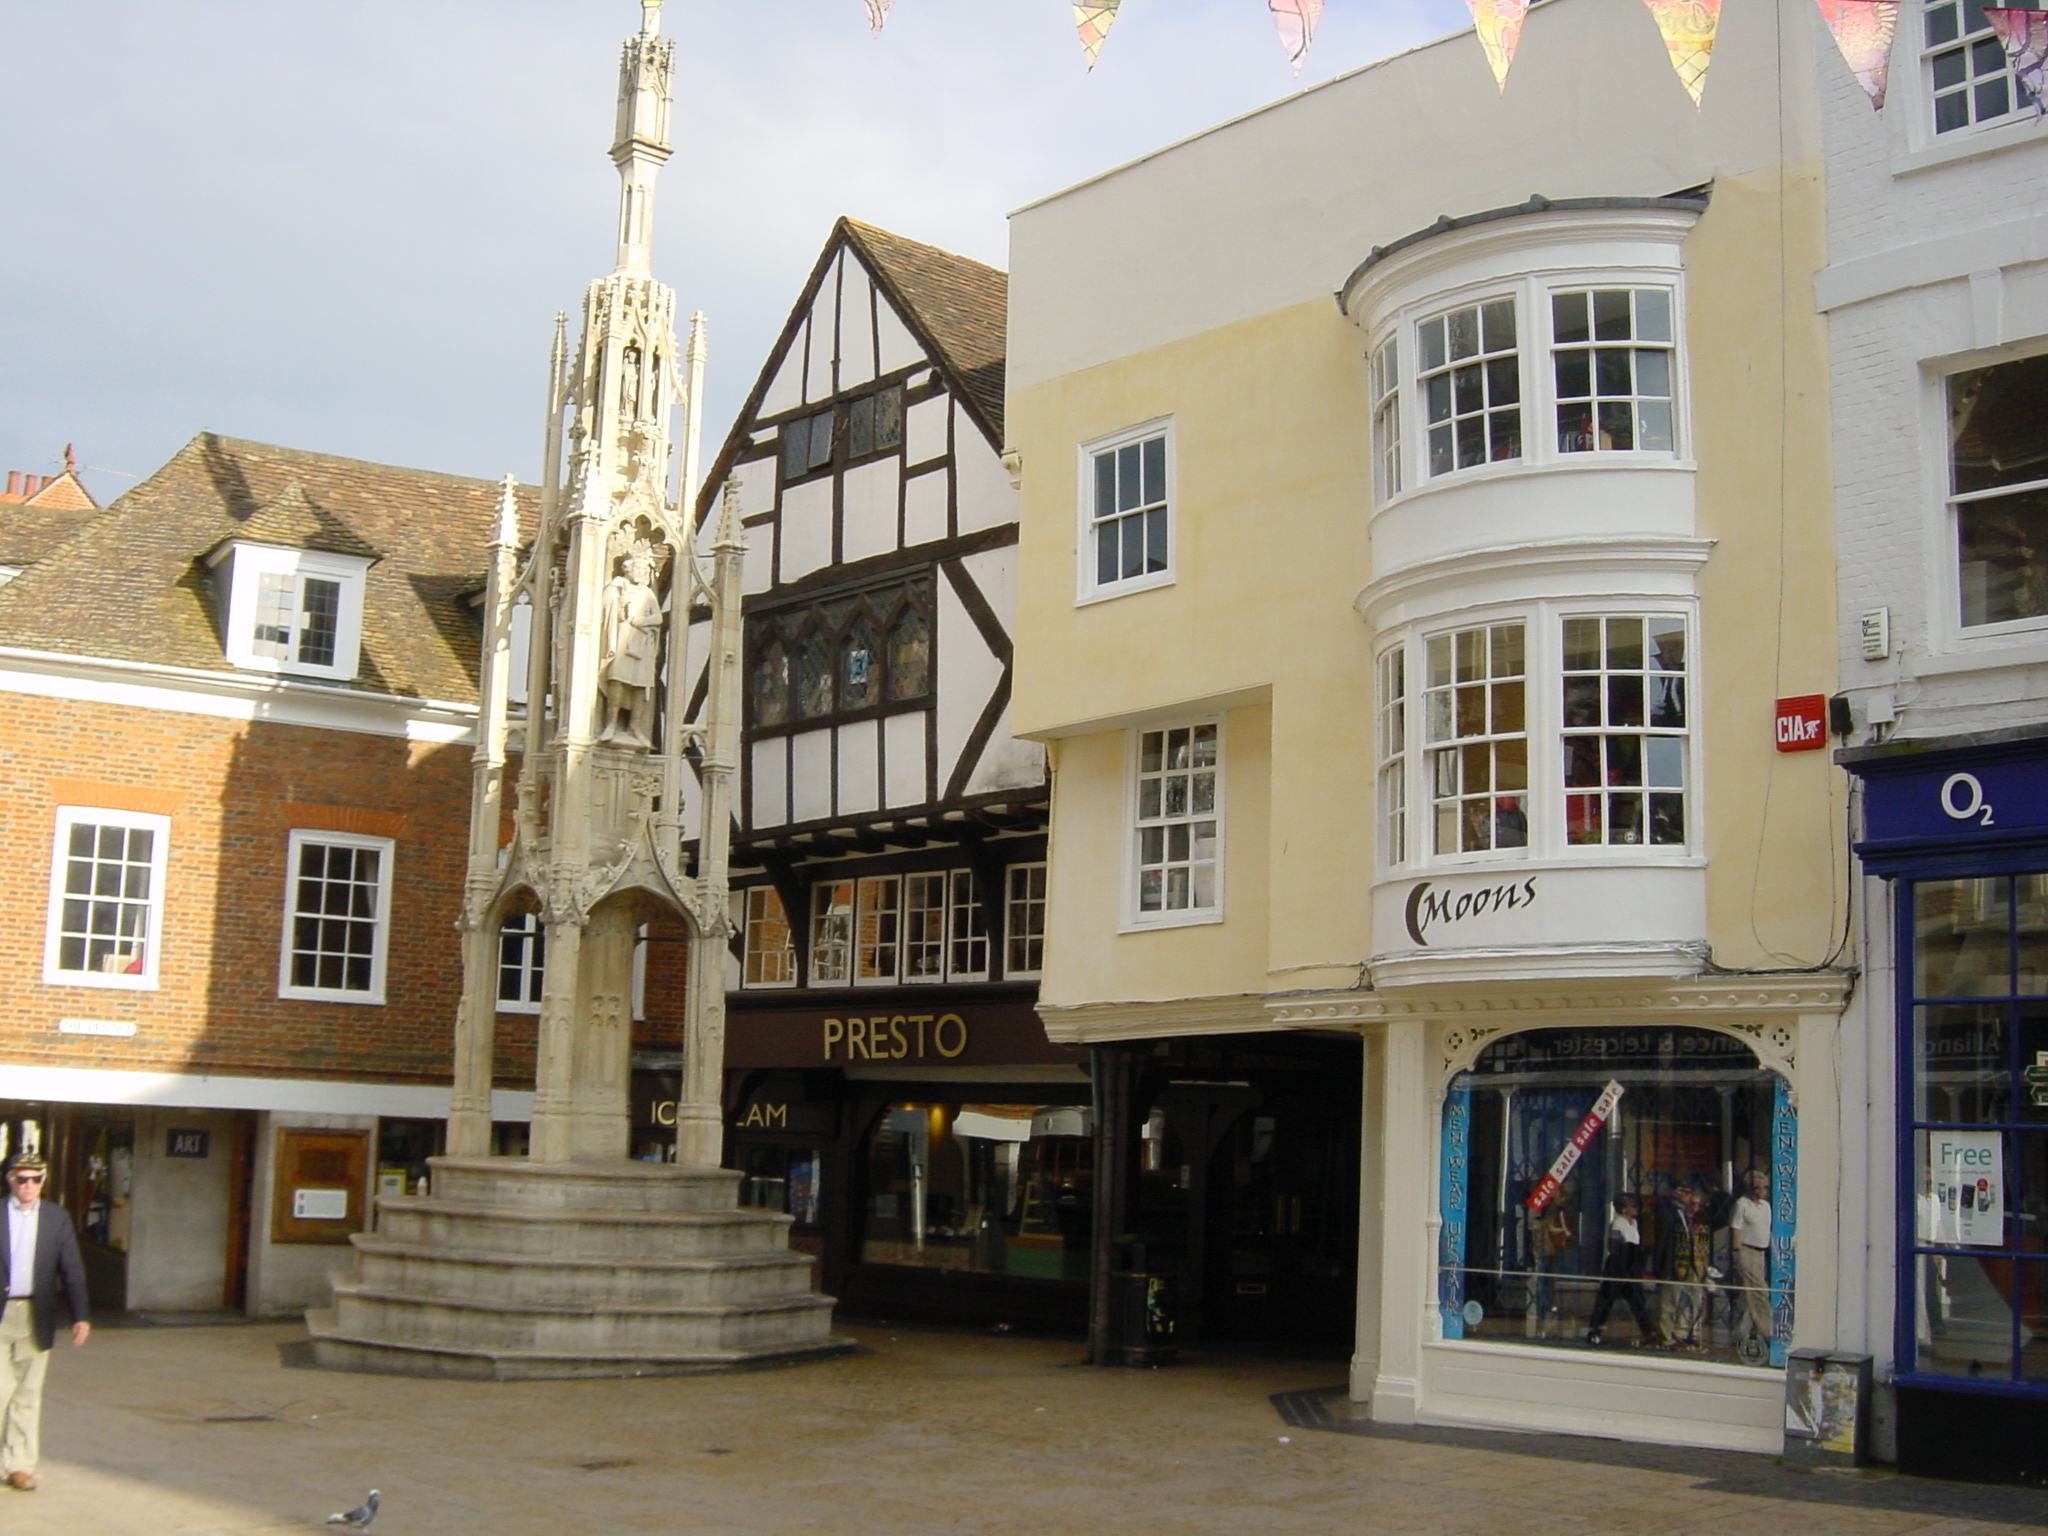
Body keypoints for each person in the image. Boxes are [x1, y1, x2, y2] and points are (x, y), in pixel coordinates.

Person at [1, 1154, 90, 1491]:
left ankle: (19, 1466)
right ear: (9, 1179)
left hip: (36, 1314)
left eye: (35, 1179)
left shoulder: (56, 1217)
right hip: (1, 1314)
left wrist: (81, 1314)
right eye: (21, 1179)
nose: (28, 1186)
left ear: (43, 1181)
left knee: (27, 1394)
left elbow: (72, 1268)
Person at [598, 550, 665, 747]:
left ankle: (635, 727)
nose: (643, 573)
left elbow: (658, 618)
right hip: (621, 638)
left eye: (646, 570)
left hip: (641, 642)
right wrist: (619, 604)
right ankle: (610, 724)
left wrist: (640, 621)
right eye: (639, 568)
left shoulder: (647, 593)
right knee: (617, 679)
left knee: (640, 685)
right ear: (628, 569)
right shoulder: (616, 587)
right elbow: (605, 609)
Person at [1585, 1193, 1655, 1346]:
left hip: (1632, 1265)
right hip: (1619, 1265)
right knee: (1605, 1300)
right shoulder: (1617, 1223)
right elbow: (1613, 1246)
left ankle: (1649, 1332)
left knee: (1637, 1300)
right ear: (1624, 1209)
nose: (1636, 1209)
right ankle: (1594, 1331)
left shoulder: (1634, 1223)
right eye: (1633, 1206)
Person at [1655, 1183, 1710, 1350]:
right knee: (1668, 1302)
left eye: (1689, 1192)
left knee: (1693, 1300)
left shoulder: (1695, 1217)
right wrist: (1659, 1264)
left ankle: (1685, 1333)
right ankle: (1666, 1337)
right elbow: (1662, 1241)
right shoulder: (1668, 1212)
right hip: (1673, 1264)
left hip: (1693, 1263)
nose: (1687, 1196)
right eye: (1683, 1192)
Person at [1727, 1168, 1774, 1345]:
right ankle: (1767, 1329)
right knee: (1760, 1291)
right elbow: (1736, 1227)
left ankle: (1740, 1333)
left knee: (1751, 1296)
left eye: (1764, 1188)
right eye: (1756, 1187)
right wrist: (1738, 1251)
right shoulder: (1742, 1204)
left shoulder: (1766, 1206)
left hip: (1761, 1251)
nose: (1760, 1191)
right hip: (1747, 1251)